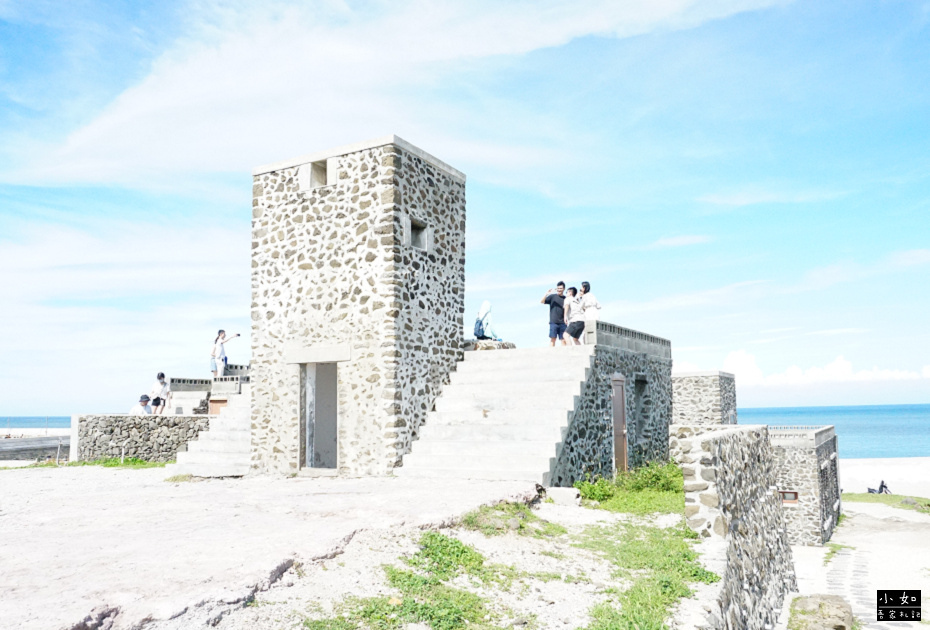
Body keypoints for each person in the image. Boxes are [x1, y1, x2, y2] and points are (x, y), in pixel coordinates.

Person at [541, 282, 567, 346]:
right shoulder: (552, 296)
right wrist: (546, 294)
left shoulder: (566, 298)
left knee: (563, 339)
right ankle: (551, 354)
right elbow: (542, 301)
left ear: (564, 289)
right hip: (553, 322)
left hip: (563, 322)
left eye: (560, 288)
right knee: (553, 339)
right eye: (558, 288)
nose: (559, 289)